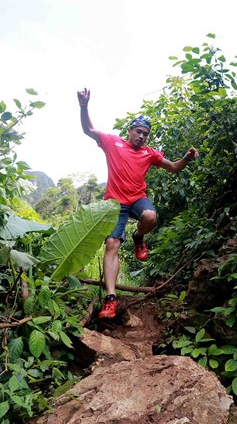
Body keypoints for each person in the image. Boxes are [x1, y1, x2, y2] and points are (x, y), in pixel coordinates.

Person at [77, 88, 198, 320]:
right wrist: (84, 106)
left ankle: (138, 238)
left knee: (151, 216)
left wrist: (187, 158)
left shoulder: (149, 153)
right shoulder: (113, 143)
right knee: (112, 244)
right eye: (138, 132)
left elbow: (173, 167)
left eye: (146, 134)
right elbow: (88, 130)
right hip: (114, 204)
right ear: (129, 131)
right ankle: (111, 298)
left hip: (137, 199)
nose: (142, 136)